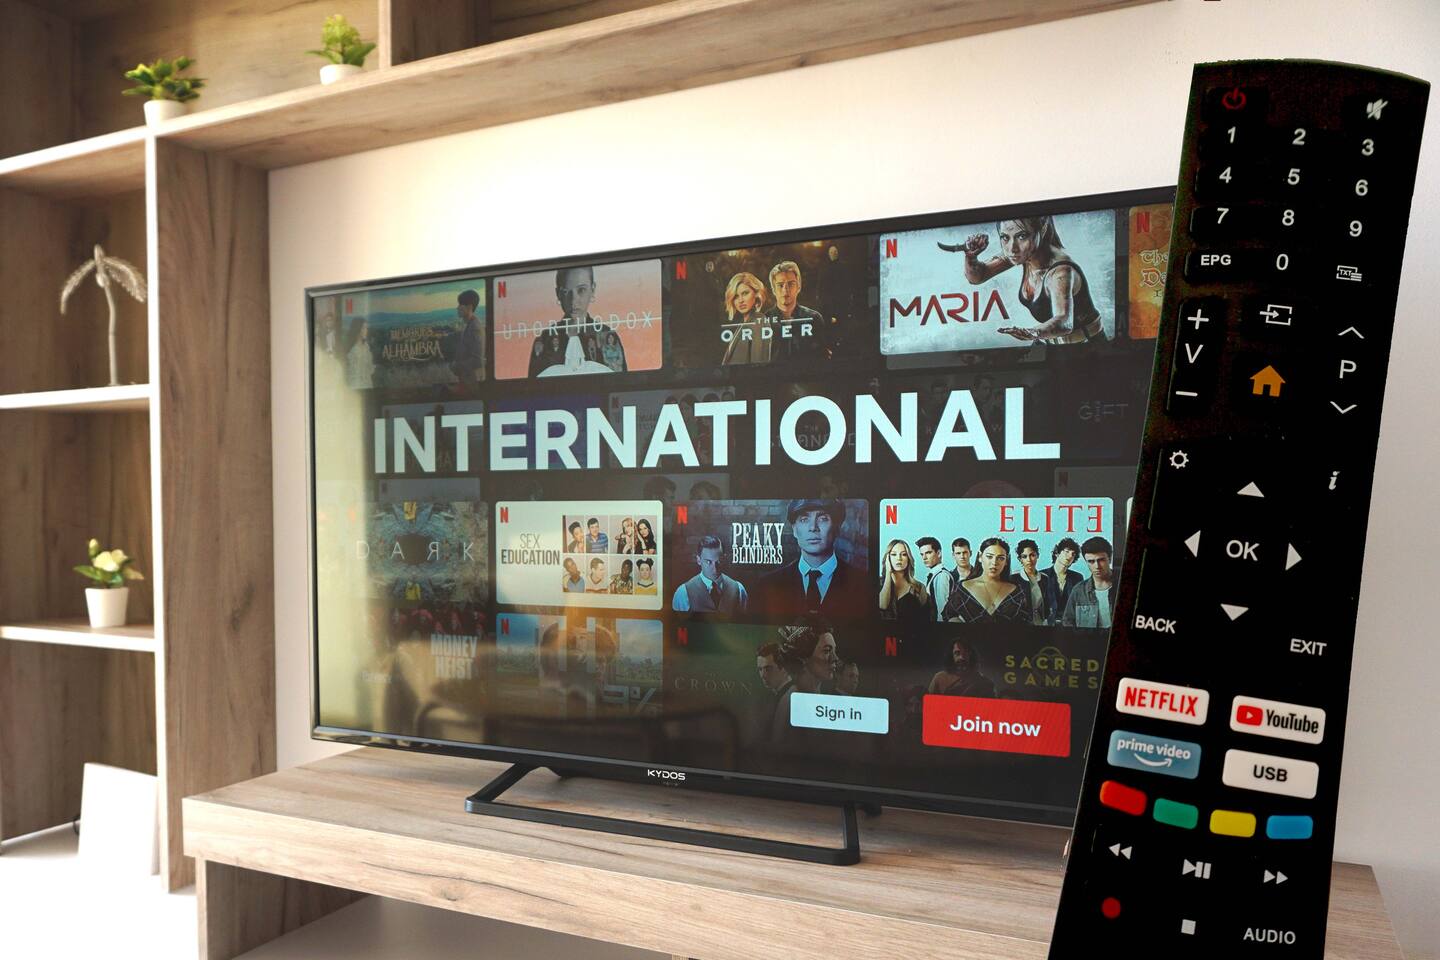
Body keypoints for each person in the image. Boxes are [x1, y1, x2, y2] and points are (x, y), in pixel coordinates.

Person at [947, 216, 1107, 345]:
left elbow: (1064, 322)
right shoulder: (1022, 254)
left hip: (1086, 348)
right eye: (1005, 238)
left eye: (1022, 236)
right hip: (1049, 344)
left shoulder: (1060, 272)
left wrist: (1033, 332)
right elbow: (977, 277)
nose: (1012, 248)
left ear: (1042, 229)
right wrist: (970, 256)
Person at [752, 499, 866, 618]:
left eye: (823, 519)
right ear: (794, 530)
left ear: (837, 528)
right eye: (804, 519)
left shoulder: (862, 583)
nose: (813, 528)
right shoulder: (767, 584)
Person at [772, 623, 841, 741]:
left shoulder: (815, 696)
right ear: (804, 656)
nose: (835, 658)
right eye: (826, 651)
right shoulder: (790, 702)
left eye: (834, 650)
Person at [941, 537, 1033, 623]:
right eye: (989, 556)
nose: (994, 562)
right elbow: (948, 614)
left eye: (1001, 558)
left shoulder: (1017, 591)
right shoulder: (962, 588)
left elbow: (1026, 622)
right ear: (980, 557)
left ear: (1006, 561)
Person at [760, 261, 828, 360]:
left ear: (798, 287)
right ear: (773, 289)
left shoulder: (813, 318)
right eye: (780, 285)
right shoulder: (763, 321)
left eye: (791, 284)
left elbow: (822, 358)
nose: (785, 290)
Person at [671, 535, 748, 614]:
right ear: (698, 560)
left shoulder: (739, 589)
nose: (715, 568)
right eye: (708, 562)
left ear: (724, 559)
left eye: (718, 561)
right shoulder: (683, 593)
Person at [877, 539, 935, 626]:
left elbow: (926, 620)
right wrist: (888, 573)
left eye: (904, 554)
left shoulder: (919, 587)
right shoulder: (877, 583)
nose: (899, 558)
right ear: (888, 558)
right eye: (893, 554)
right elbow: (882, 605)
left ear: (908, 559)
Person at [1062, 536, 1117, 628]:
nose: (1097, 566)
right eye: (1091, 561)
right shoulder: (1078, 590)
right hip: (1087, 637)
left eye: (1101, 560)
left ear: (1110, 559)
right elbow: (1067, 622)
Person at [720, 271, 771, 365]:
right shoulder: (743, 324)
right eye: (736, 296)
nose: (740, 300)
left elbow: (758, 365)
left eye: (745, 293)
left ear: (756, 294)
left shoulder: (758, 320)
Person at [927, 638, 996, 698]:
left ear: (971, 655)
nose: (961, 657)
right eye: (957, 653)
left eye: (965, 653)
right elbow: (929, 705)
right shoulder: (940, 678)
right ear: (951, 656)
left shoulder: (985, 683)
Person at [1040, 537, 1083, 627]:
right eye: (1067, 551)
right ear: (1057, 553)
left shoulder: (1077, 577)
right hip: (1046, 625)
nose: (1070, 556)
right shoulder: (1042, 575)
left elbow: (1079, 605)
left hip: (1069, 625)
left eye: (1073, 554)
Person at [1011, 538, 1050, 626]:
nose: (1029, 559)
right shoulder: (1014, 578)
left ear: (1037, 555)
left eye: (1032, 555)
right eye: (1024, 556)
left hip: (1041, 623)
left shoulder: (1044, 578)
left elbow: (1047, 603)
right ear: (1020, 559)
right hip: (1020, 625)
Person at [916, 536, 954, 622]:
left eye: (928, 553)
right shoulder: (936, 575)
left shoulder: (941, 575)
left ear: (939, 553)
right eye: (922, 554)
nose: (924, 557)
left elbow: (942, 610)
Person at [451, 289, 484, 383]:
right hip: (467, 380)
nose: (457, 308)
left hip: (472, 382)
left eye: (460, 305)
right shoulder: (469, 325)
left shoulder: (475, 328)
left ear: (469, 307)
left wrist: (456, 366)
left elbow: (477, 361)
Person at [344, 318, 375, 389]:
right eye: (364, 328)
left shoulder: (366, 346)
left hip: (367, 384)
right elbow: (350, 373)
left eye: (366, 328)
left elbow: (370, 367)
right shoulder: (352, 351)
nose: (366, 330)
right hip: (356, 385)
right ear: (358, 330)